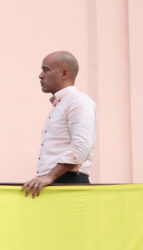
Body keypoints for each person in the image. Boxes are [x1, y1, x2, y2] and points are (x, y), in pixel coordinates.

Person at [22, 51, 97, 198]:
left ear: (64, 74)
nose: (40, 75)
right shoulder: (61, 105)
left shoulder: (79, 101)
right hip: (53, 183)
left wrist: (50, 176)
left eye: (46, 69)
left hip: (68, 183)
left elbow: (80, 147)